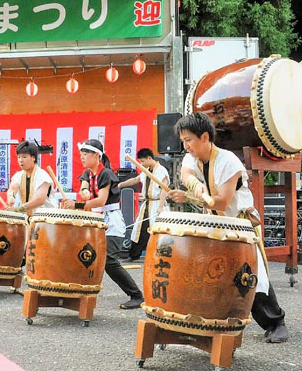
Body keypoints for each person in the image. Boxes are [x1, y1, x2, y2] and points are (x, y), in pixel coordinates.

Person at [168, 112, 288, 343]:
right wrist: (193, 187)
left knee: (250, 276)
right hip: (215, 223)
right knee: (212, 274)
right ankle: (212, 321)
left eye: (189, 140)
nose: (186, 146)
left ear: (204, 137)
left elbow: (222, 201)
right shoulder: (191, 157)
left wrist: (193, 197)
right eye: (183, 141)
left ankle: (276, 322)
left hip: (239, 225)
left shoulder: (227, 162)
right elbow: (186, 173)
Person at [62, 139, 144, 309]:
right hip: (94, 220)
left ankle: (136, 295)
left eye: (85, 155)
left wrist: (78, 204)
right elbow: (84, 186)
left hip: (111, 220)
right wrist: (84, 191)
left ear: (96, 156)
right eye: (81, 154)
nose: (82, 157)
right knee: (83, 255)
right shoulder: (88, 173)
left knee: (110, 261)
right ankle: (79, 293)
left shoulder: (105, 173)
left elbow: (101, 200)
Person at [118, 148, 169, 261]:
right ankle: (134, 255)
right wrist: (121, 184)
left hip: (156, 204)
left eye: (142, 161)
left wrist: (161, 206)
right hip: (147, 204)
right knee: (139, 230)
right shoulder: (146, 170)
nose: (141, 164)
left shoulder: (161, 170)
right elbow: (136, 179)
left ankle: (160, 257)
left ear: (149, 158)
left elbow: (164, 188)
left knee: (158, 231)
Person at [6, 140, 55, 215]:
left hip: (45, 219)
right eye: (19, 157)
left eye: (24, 157)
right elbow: (12, 188)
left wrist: (18, 209)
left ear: (33, 158)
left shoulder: (43, 176)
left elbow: (39, 200)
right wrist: (11, 196)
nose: (20, 160)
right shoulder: (19, 175)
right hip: (28, 219)